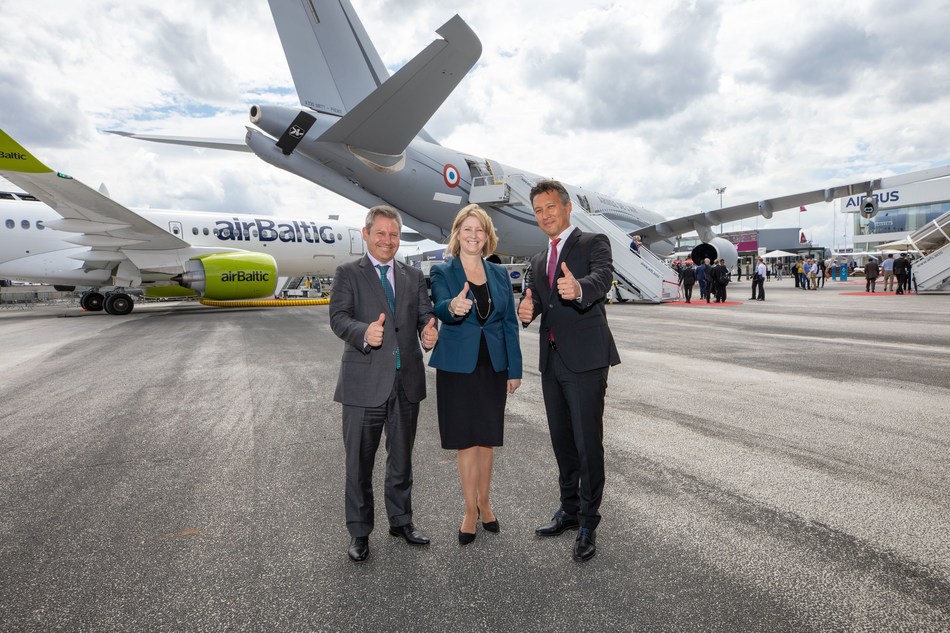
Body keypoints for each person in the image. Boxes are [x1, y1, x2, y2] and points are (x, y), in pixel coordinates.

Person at [329, 205, 440, 562]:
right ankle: (360, 532)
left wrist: (429, 331)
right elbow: (338, 318)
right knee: (359, 462)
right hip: (363, 383)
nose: (387, 240)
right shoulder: (348, 273)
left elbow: (424, 316)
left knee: (402, 459)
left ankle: (401, 520)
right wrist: (365, 331)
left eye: (393, 234)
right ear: (366, 234)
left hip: (406, 381)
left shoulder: (412, 275)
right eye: (380, 233)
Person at [517, 180, 619, 562]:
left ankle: (589, 522)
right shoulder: (537, 258)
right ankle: (569, 509)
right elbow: (539, 301)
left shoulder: (593, 243)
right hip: (552, 361)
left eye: (550, 207)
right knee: (562, 441)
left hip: (586, 361)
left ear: (567, 207)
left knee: (587, 443)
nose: (545, 215)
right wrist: (528, 310)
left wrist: (578, 288)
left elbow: (602, 279)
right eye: (538, 211)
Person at [428, 205, 522, 545]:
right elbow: (440, 305)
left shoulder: (498, 274)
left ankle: (486, 502)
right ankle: (469, 510)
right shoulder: (443, 271)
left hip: (493, 367)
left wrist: (515, 369)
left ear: (487, 236)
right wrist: (452, 307)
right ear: (457, 234)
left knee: (487, 439)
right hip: (457, 367)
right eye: (467, 229)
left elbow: (509, 323)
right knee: (466, 440)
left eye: (479, 229)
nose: (473, 235)